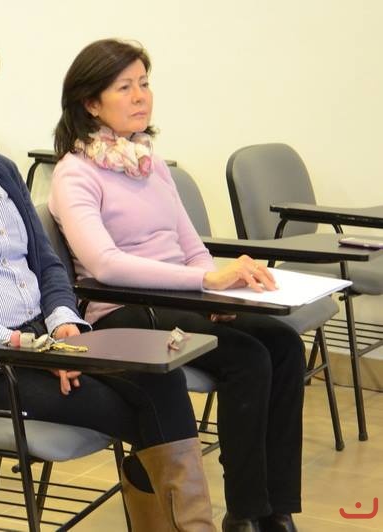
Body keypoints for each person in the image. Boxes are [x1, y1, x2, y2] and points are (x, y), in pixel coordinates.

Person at [0, 34, 215, 531]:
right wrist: (28, 347)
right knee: (138, 409)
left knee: (161, 380)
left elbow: (49, 265)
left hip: (47, 340)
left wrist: (63, 323)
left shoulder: (0, 172)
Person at [49, 38, 305, 532]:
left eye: (144, 83)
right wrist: (204, 280)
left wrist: (217, 293)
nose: (140, 96)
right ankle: (247, 511)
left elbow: (191, 246)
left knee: (284, 344)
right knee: (246, 357)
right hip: (124, 312)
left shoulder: (149, 163)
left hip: (180, 300)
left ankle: (277, 508)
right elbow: (106, 265)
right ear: (91, 102)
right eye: (124, 87)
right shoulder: (74, 174)